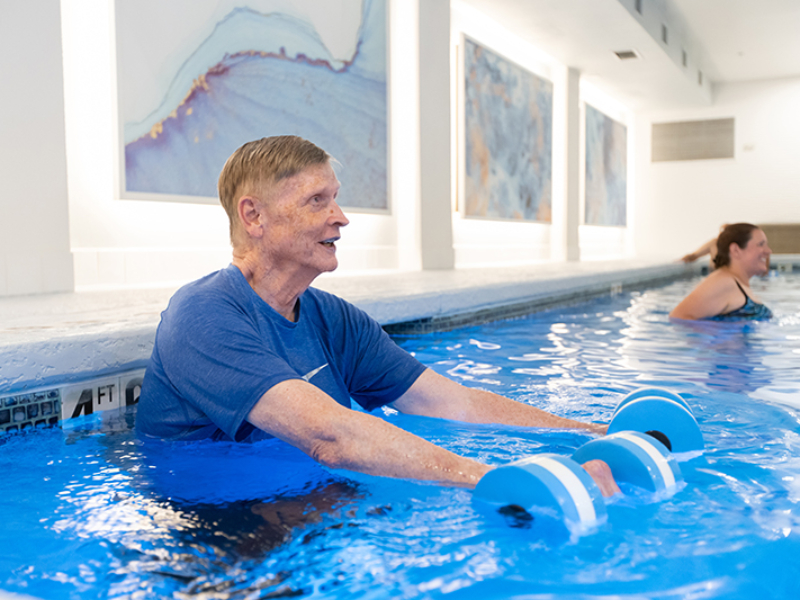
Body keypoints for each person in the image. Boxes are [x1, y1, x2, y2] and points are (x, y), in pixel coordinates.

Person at [137, 135, 619, 496]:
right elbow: (330, 436)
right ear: (254, 217)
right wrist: (499, 482)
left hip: (304, 497)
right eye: (317, 201)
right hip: (209, 525)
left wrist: (593, 433)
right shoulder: (203, 316)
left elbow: (451, 403)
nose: (341, 216)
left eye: (335, 197)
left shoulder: (333, 319)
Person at [670, 223, 772, 321]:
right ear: (735, 250)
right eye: (761, 244)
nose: (768, 251)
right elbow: (678, 317)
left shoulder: (735, 282)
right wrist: (724, 333)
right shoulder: (723, 282)